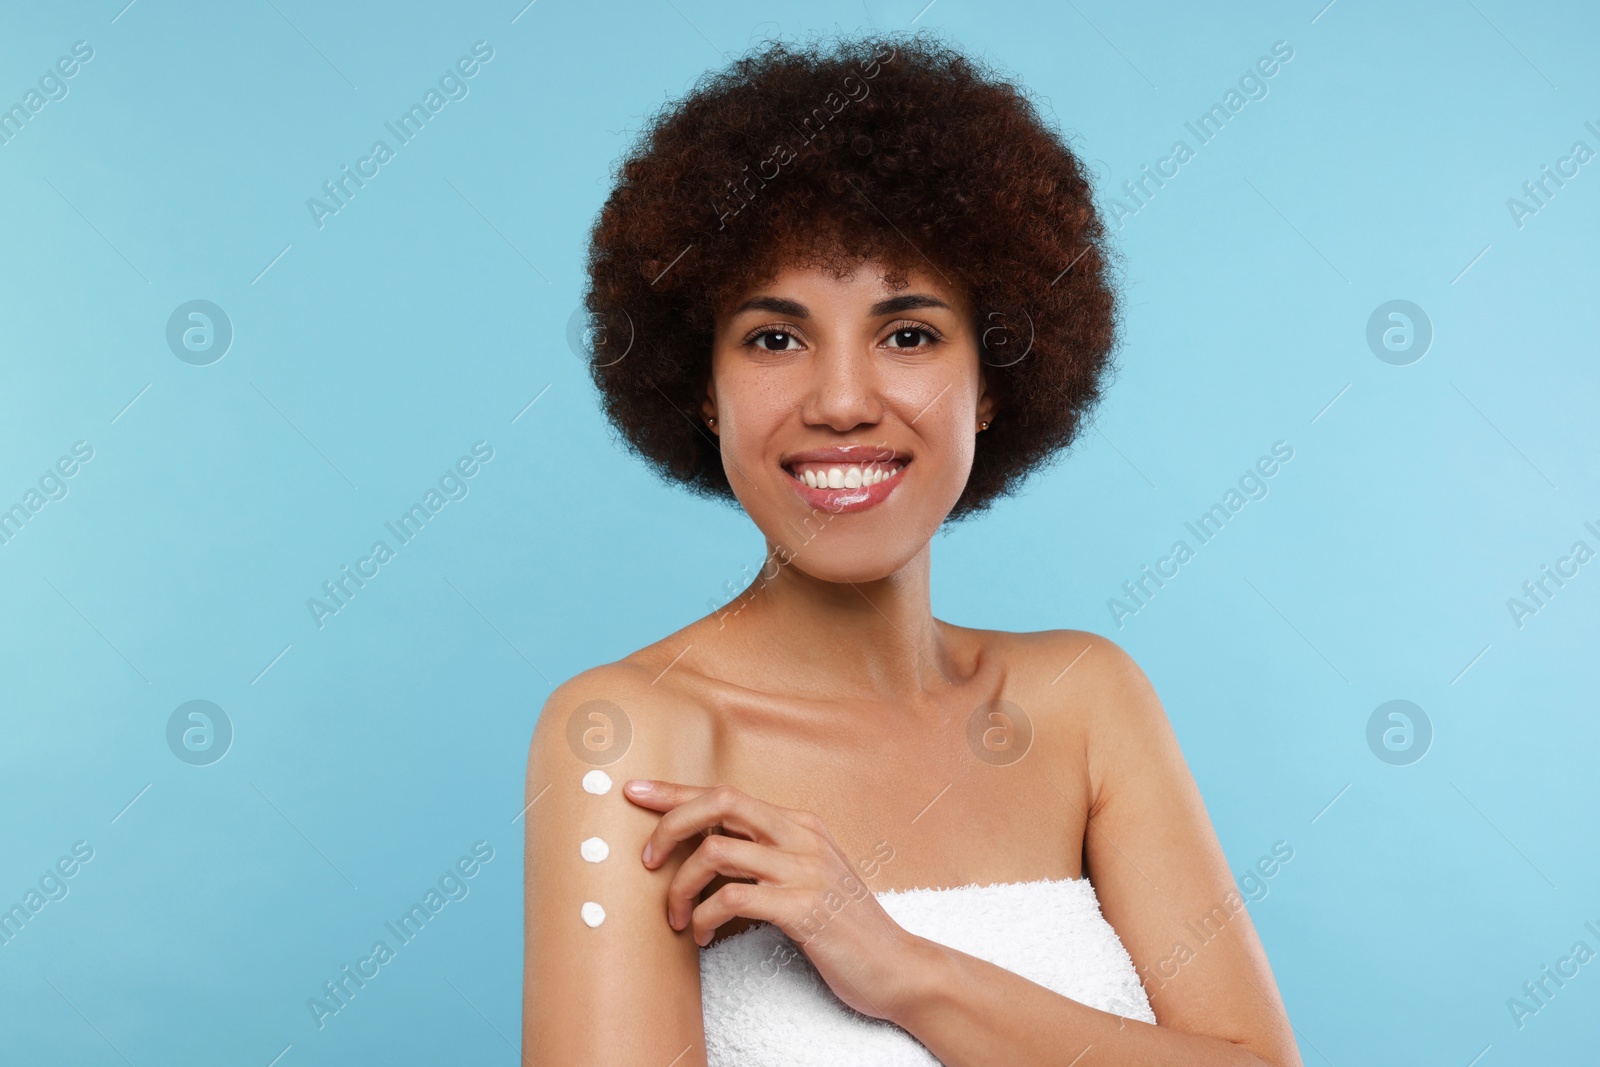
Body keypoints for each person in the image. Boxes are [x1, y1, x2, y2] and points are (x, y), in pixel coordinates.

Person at [523, 33, 1301, 1067]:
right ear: (701, 389)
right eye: (774, 336)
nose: (842, 401)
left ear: (992, 378)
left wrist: (901, 967)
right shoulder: (632, 737)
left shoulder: (1085, 703)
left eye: (907, 334)